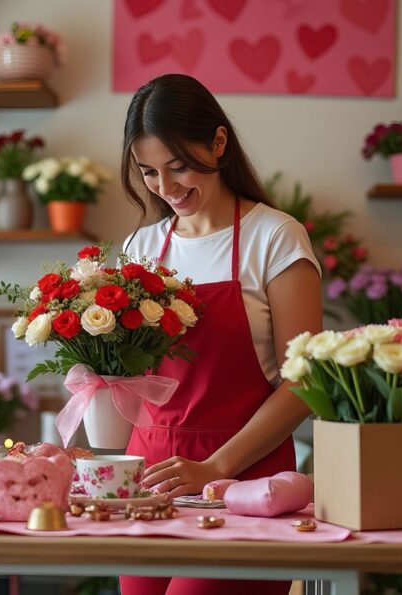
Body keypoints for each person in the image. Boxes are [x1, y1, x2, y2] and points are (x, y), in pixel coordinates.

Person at [119, 74, 322, 595]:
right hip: (148, 474)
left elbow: (305, 382)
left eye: (178, 166)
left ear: (218, 142)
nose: (165, 188)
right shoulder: (140, 247)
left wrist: (214, 467)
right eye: (149, 173)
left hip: (244, 476)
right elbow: (126, 381)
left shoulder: (274, 237)